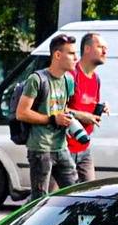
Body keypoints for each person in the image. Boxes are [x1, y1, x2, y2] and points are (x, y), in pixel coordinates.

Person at [14, 35, 81, 200]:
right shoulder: (37, 79)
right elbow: (22, 113)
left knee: (77, 194)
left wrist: (70, 120)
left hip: (60, 147)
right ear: (57, 55)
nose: (76, 58)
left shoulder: (68, 80)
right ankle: (29, 224)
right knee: (40, 199)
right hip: (40, 149)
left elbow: (63, 107)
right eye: (71, 53)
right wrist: (53, 119)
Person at [68, 32, 109, 182]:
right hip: (65, 148)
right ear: (86, 49)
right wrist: (82, 116)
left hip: (84, 148)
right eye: (100, 47)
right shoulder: (71, 75)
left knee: (90, 194)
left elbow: (88, 107)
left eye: (106, 48)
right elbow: (56, 108)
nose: (105, 51)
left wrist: (100, 108)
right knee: (52, 197)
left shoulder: (96, 79)